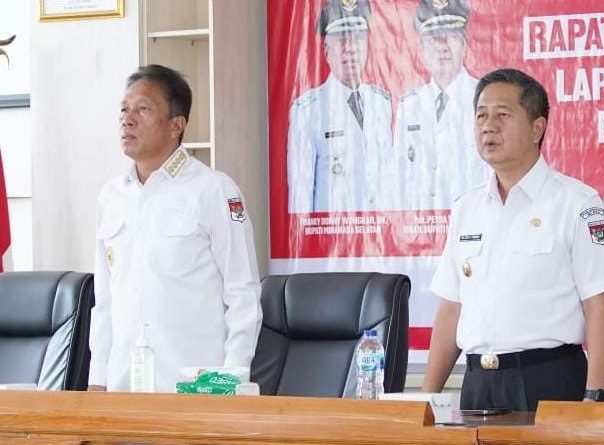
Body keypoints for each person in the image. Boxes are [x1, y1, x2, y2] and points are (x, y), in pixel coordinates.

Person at [423, 68, 604, 410]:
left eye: (502, 115)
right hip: (477, 385)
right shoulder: (466, 208)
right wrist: (425, 398)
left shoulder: (577, 203)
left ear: (537, 128)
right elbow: (451, 308)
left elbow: (599, 305)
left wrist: (595, 398)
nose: (488, 126)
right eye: (481, 115)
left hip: (548, 380)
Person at [88, 64, 262, 392]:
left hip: (194, 389)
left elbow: (243, 294)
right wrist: (97, 379)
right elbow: (105, 301)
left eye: (143, 109)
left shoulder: (214, 190)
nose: (127, 119)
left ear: (176, 125)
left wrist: (231, 381)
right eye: (124, 109)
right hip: (123, 389)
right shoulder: (111, 196)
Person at [287, 0, 394, 213]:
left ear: (367, 45)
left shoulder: (382, 102)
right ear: (327, 51)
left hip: (380, 230)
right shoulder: (307, 111)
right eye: (341, 39)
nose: (350, 48)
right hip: (333, 232)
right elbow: (301, 198)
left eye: (358, 38)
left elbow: (390, 183)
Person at [394, 0, 489, 210]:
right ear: (421, 48)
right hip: (419, 224)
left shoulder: (485, 99)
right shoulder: (409, 106)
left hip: (471, 220)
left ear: (464, 44)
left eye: (451, 36)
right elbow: (399, 178)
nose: (442, 46)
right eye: (432, 38)